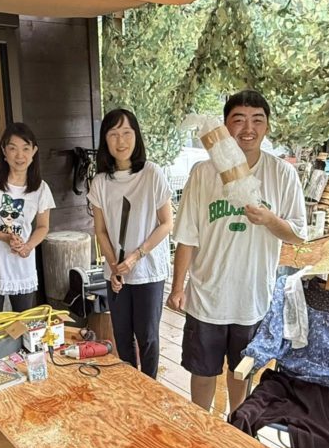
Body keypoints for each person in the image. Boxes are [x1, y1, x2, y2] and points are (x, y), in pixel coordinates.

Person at [168, 90, 307, 413]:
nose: (248, 128)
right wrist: (177, 288)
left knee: (241, 371)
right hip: (207, 295)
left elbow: (298, 235)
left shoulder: (282, 174)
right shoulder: (203, 173)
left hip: (252, 297)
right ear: (225, 126)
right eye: (238, 120)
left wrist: (270, 219)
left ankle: (238, 424)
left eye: (257, 120)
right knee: (203, 371)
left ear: (267, 126)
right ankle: (201, 426)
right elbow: (187, 235)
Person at [89, 108, 173, 379]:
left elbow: (166, 223)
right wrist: (114, 266)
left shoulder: (152, 173)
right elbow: (101, 230)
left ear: (136, 136)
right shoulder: (100, 182)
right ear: (105, 140)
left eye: (127, 133)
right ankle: (131, 388)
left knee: (147, 337)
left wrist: (137, 255)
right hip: (116, 272)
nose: (121, 140)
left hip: (148, 270)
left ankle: (150, 388)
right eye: (113, 134)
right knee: (123, 337)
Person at [0, 122, 55, 312]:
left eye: (25, 148)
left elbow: (43, 226)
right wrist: (4, 237)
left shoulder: (41, 188)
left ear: (34, 151)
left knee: (23, 319)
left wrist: (28, 246)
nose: (20, 155)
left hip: (21, 259)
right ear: (4, 151)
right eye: (13, 148)